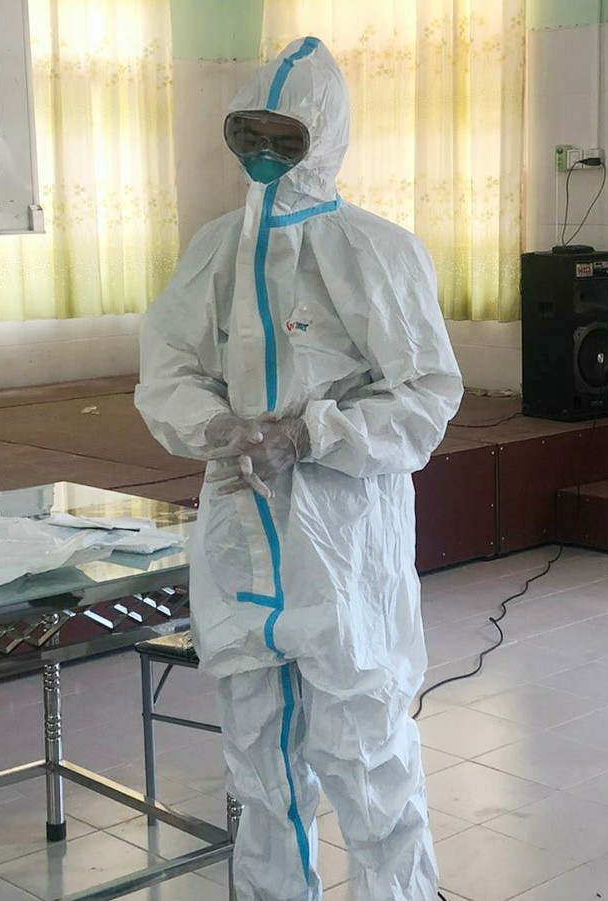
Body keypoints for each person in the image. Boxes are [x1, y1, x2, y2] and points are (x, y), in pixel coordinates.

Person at [136, 35, 463, 901]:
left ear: (325, 138)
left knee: (366, 757)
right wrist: (217, 425)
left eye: (286, 138)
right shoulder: (215, 250)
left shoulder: (378, 252)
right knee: (259, 764)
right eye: (250, 134)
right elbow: (165, 371)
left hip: (338, 543)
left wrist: (313, 435)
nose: (265, 155)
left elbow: (426, 397)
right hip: (240, 536)